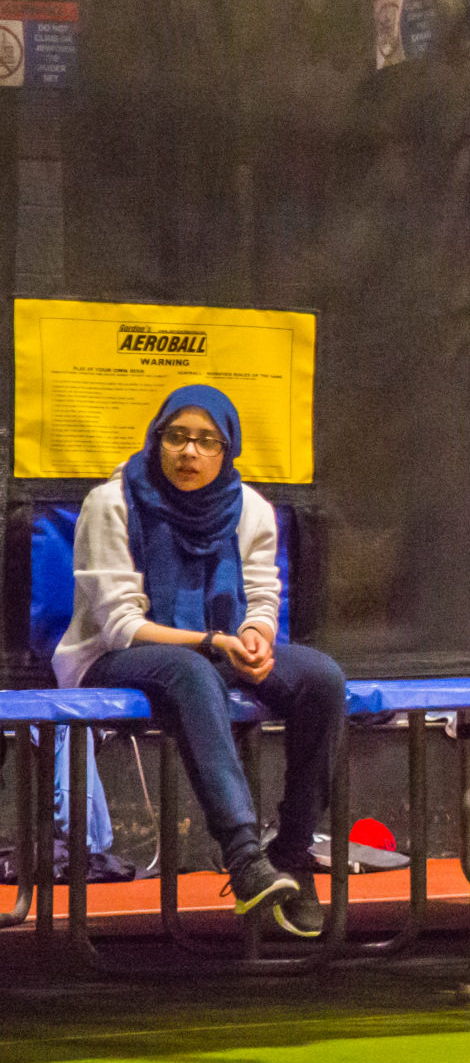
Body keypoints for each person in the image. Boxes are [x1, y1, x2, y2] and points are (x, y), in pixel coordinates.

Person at [55, 386, 349, 936]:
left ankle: (291, 854)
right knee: (188, 671)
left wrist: (256, 635)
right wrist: (215, 643)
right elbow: (120, 627)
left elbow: (261, 600)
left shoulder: (252, 510)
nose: (189, 453)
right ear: (157, 440)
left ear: (227, 449)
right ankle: (243, 859)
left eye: (206, 441)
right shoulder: (111, 504)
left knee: (321, 677)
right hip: (113, 658)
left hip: (215, 649)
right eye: (177, 437)